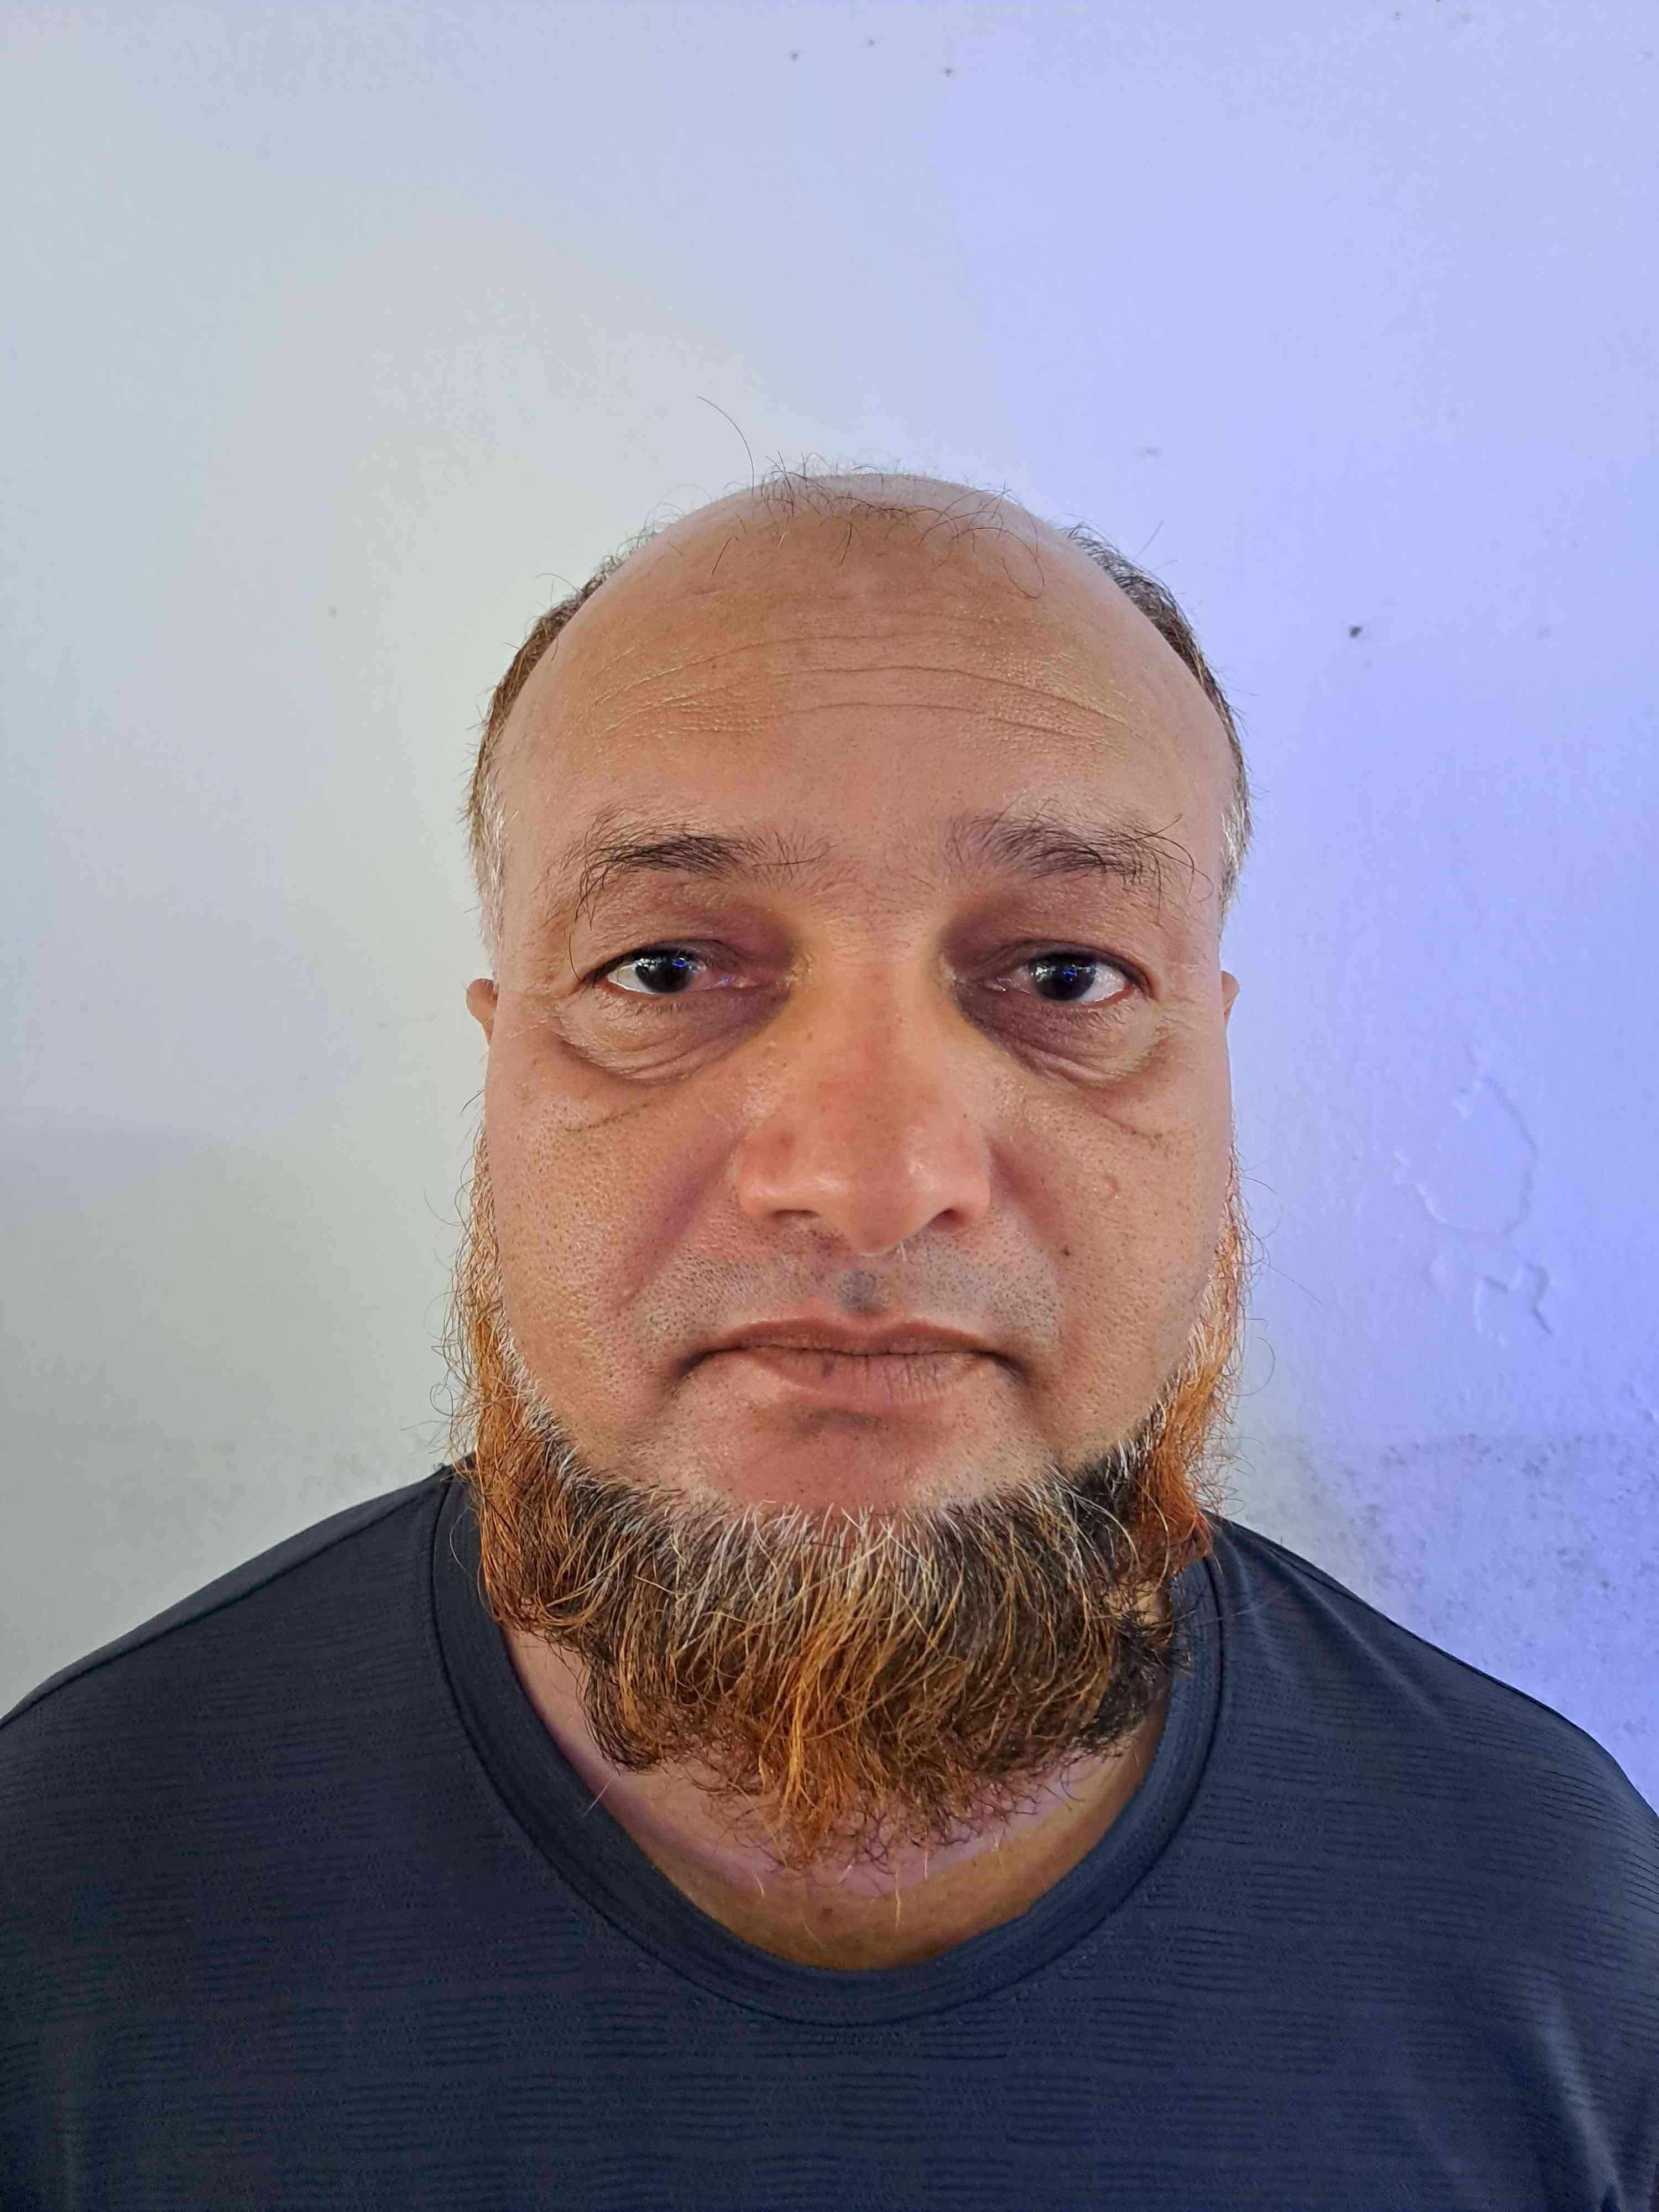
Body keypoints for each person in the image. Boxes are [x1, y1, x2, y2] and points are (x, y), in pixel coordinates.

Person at [2, 467, 1653, 2209]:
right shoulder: (64, 1896)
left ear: (1216, 1069)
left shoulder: (1557, 1931)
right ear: (500, 1075)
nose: (870, 1184)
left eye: (1067, 976)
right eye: (662, 970)